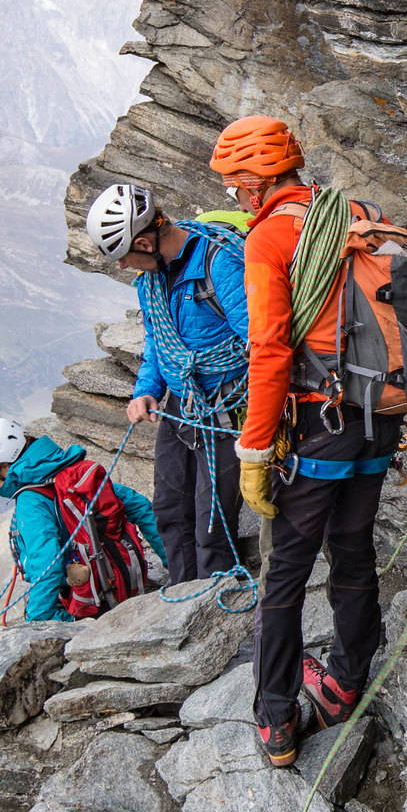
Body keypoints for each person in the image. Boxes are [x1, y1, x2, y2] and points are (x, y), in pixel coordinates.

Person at [208, 114, 407, 767]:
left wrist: (253, 452)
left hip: (321, 422)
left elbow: (269, 352)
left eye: (235, 184)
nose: (235, 196)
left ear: (256, 182)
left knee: (284, 570)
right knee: (351, 548)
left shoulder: (269, 240)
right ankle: (343, 680)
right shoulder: (360, 214)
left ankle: (278, 721)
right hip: (381, 416)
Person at [85, 183, 250, 586]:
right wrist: (146, 389)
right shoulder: (152, 281)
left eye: (125, 257)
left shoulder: (220, 263)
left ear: (144, 242)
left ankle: (217, 603)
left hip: (226, 405)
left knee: (213, 515)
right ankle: (180, 594)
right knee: (170, 507)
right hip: (181, 403)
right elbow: (159, 339)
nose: (124, 267)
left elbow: (259, 340)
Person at [0, 418, 166, 622]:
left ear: (6, 467)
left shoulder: (30, 501)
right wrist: (175, 565)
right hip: (124, 584)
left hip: (86, 604)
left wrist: (37, 620)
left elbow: (47, 564)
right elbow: (140, 506)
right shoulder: (72, 473)